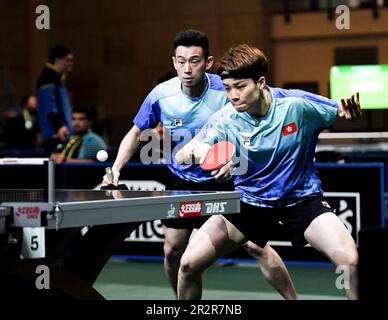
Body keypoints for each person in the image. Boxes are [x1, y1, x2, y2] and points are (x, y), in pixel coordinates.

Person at [102, 30, 340, 300]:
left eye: (194, 61)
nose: (187, 68)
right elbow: (136, 133)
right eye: (181, 61)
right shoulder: (161, 95)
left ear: (208, 62)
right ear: (173, 62)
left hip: (224, 179)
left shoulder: (228, 87)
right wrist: (117, 168)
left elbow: (267, 112)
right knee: (173, 250)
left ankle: (293, 299)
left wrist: (235, 160)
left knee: (257, 247)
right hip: (181, 181)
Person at [175, 44, 361, 300]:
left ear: (261, 82)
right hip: (250, 202)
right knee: (188, 265)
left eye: (240, 87)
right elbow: (183, 154)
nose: (233, 96)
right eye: (228, 88)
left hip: (301, 201)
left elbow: (339, 110)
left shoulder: (296, 105)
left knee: (350, 261)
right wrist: (206, 154)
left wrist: (348, 112)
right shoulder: (226, 118)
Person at [36, 44, 74, 155]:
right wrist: (60, 127)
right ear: (57, 60)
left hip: (60, 133)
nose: (71, 63)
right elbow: (50, 108)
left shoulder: (57, 78)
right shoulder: (48, 78)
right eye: (68, 60)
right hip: (55, 135)